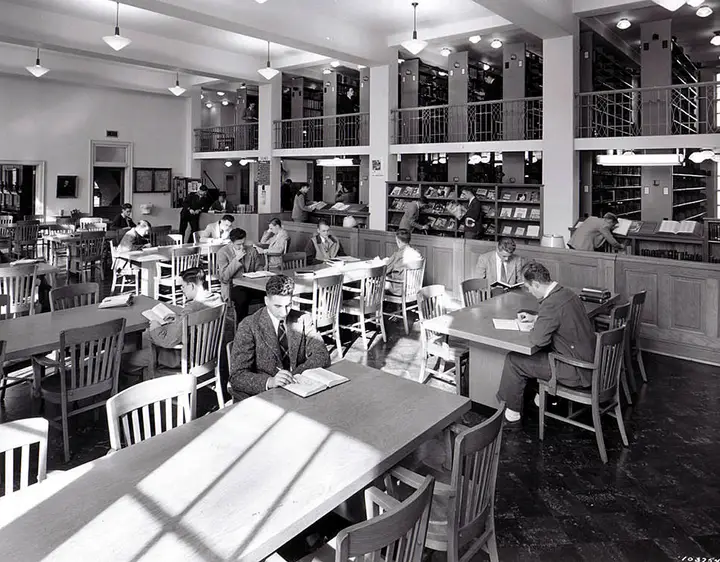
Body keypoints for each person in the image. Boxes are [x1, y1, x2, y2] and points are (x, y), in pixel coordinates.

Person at [497, 262, 596, 424]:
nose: (529, 291)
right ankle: (539, 399)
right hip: (587, 359)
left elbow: (538, 340)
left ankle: (512, 415)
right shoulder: (568, 293)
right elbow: (563, 319)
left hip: (575, 369)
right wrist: (538, 318)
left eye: (529, 288)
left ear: (536, 284)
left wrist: (537, 325)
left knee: (514, 360)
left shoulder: (551, 303)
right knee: (536, 356)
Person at [229, 274, 331, 400]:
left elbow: (322, 355)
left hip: (299, 391)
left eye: (288, 305)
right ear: (266, 301)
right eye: (277, 306)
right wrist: (270, 381)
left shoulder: (304, 319)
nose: (284, 312)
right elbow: (237, 376)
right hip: (266, 397)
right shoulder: (249, 326)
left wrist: (295, 375)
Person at [122, 268, 223, 371]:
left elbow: (167, 342)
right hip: (207, 353)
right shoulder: (218, 299)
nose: (182, 289)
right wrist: (180, 319)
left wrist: (155, 327)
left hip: (186, 358)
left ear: (192, 285)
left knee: (124, 360)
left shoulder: (191, 309)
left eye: (183, 286)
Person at [216, 228, 260, 321]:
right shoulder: (223, 253)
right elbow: (224, 278)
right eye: (238, 244)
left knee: (270, 293)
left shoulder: (251, 250)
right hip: (233, 287)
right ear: (231, 243)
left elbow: (258, 268)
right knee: (242, 297)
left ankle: (262, 325)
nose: (242, 247)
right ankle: (242, 328)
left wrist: (262, 272)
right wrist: (236, 260)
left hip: (252, 285)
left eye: (243, 243)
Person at [385, 229, 422, 294]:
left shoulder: (398, 255)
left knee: (377, 279)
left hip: (401, 289)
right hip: (415, 289)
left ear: (398, 241)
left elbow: (385, 269)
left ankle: (375, 303)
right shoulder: (417, 253)